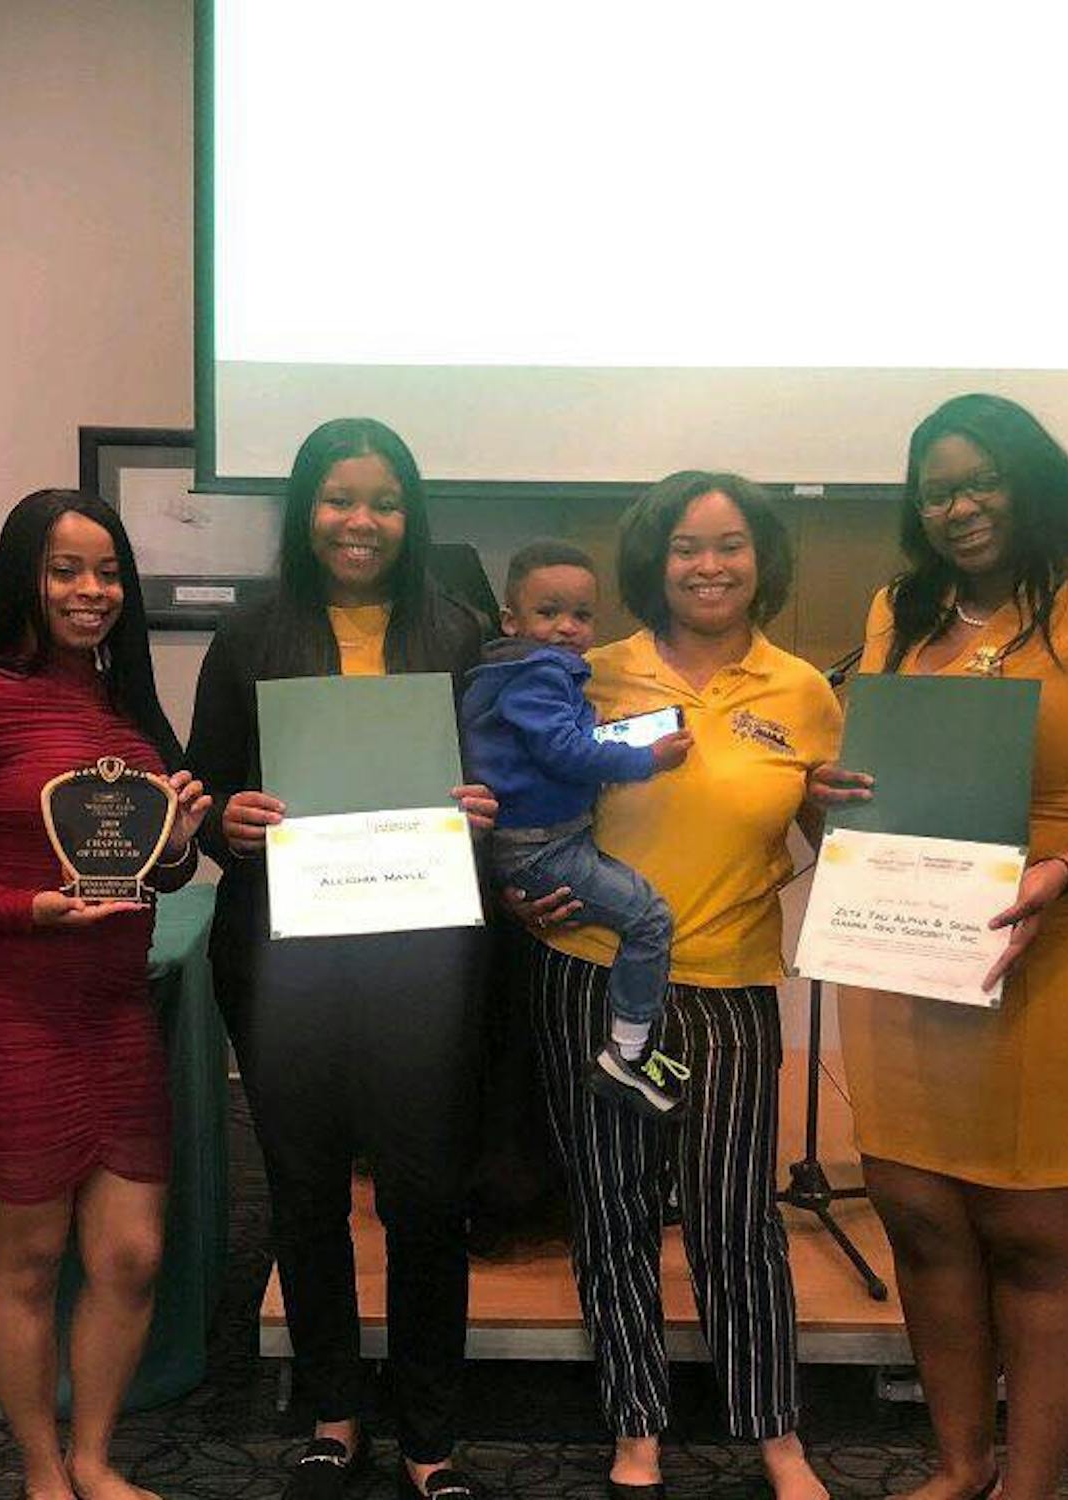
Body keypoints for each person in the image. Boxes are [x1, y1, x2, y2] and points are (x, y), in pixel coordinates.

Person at [836, 393, 1068, 1500]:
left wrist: (1056, 870)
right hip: (912, 953)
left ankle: (1027, 1486)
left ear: (1030, 478)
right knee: (918, 1222)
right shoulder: (897, 610)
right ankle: (958, 1466)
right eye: (936, 489)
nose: (958, 507)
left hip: (1066, 955)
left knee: (1038, 1239)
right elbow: (885, 762)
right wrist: (836, 786)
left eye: (979, 480)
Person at [506, 472, 863, 1500]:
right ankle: (635, 1422)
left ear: (762, 560)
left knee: (732, 1219)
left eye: (730, 544)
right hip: (590, 974)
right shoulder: (585, 671)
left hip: (731, 984)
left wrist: (861, 823)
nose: (707, 566)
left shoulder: (800, 690)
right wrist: (526, 892)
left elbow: (828, 838)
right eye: (683, 547)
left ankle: (774, 1430)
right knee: (610, 1208)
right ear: (650, 563)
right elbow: (528, 802)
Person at [0, 490, 208, 1500]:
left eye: (107, 573)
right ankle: (39, 1470)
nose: (91, 591)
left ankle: (95, 1458)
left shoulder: (128, 706)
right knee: (29, 1261)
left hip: (111, 1011)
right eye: (66, 570)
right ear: (25, 575)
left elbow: (154, 869)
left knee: (132, 1256)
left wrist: (180, 849)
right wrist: (26, 910)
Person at [185, 417, 496, 1500]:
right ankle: (332, 1412)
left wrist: (482, 806)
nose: (359, 522)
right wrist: (228, 818)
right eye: (336, 498)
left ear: (410, 517)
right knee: (306, 1191)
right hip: (283, 960)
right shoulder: (248, 637)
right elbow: (202, 796)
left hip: (426, 960)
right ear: (303, 512)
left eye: (383, 501)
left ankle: (429, 1435)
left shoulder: (460, 635)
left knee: (423, 1196)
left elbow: (507, 792)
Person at [461, 539, 693, 1117]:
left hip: (547, 839)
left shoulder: (524, 670)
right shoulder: (537, 672)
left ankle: (629, 1049)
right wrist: (648, 759)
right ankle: (627, 1053)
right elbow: (564, 752)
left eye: (582, 615)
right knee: (649, 918)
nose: (567, 627)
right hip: (540, 848)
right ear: (511, 620)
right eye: (548, 613)